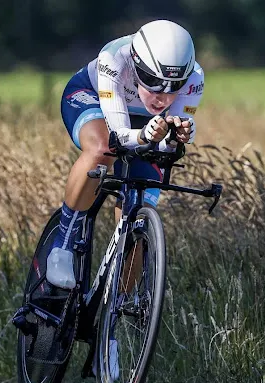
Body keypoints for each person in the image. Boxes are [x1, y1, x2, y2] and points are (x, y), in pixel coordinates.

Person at [46, 19, 205, 289]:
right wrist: (145, 136)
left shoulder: (195, 78)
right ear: (136, 62)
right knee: (102, 151)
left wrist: (176, 138)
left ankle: (110, 312)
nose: (162, 97)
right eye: (153, 81)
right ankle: (62, 247)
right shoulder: (115, 57)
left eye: (174, 85)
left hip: (145, 125)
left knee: (138, 216)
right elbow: (118, 137)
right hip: (94, 98)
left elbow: (167, 146)